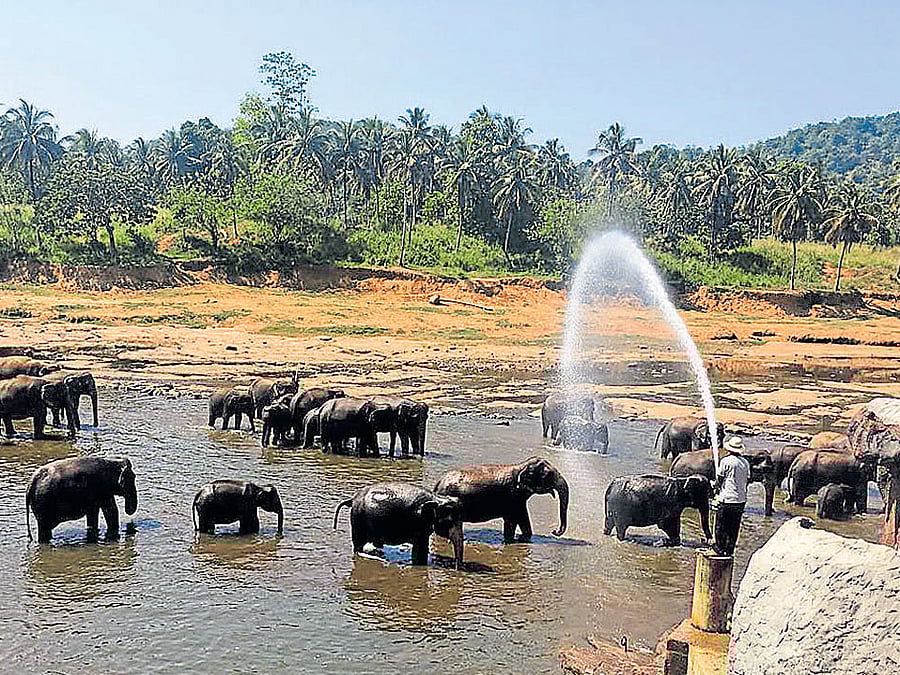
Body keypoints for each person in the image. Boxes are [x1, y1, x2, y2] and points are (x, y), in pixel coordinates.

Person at [712, 435, 750, 556]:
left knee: (720, 525)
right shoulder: (745, 463)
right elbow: (747, 480)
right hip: (740, 500)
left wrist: (715, 487)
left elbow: (720, 479)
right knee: (733, 528)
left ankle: (719, 548)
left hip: (726, 499)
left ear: (729, 449)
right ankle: (729, 551)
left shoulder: (725, 461)